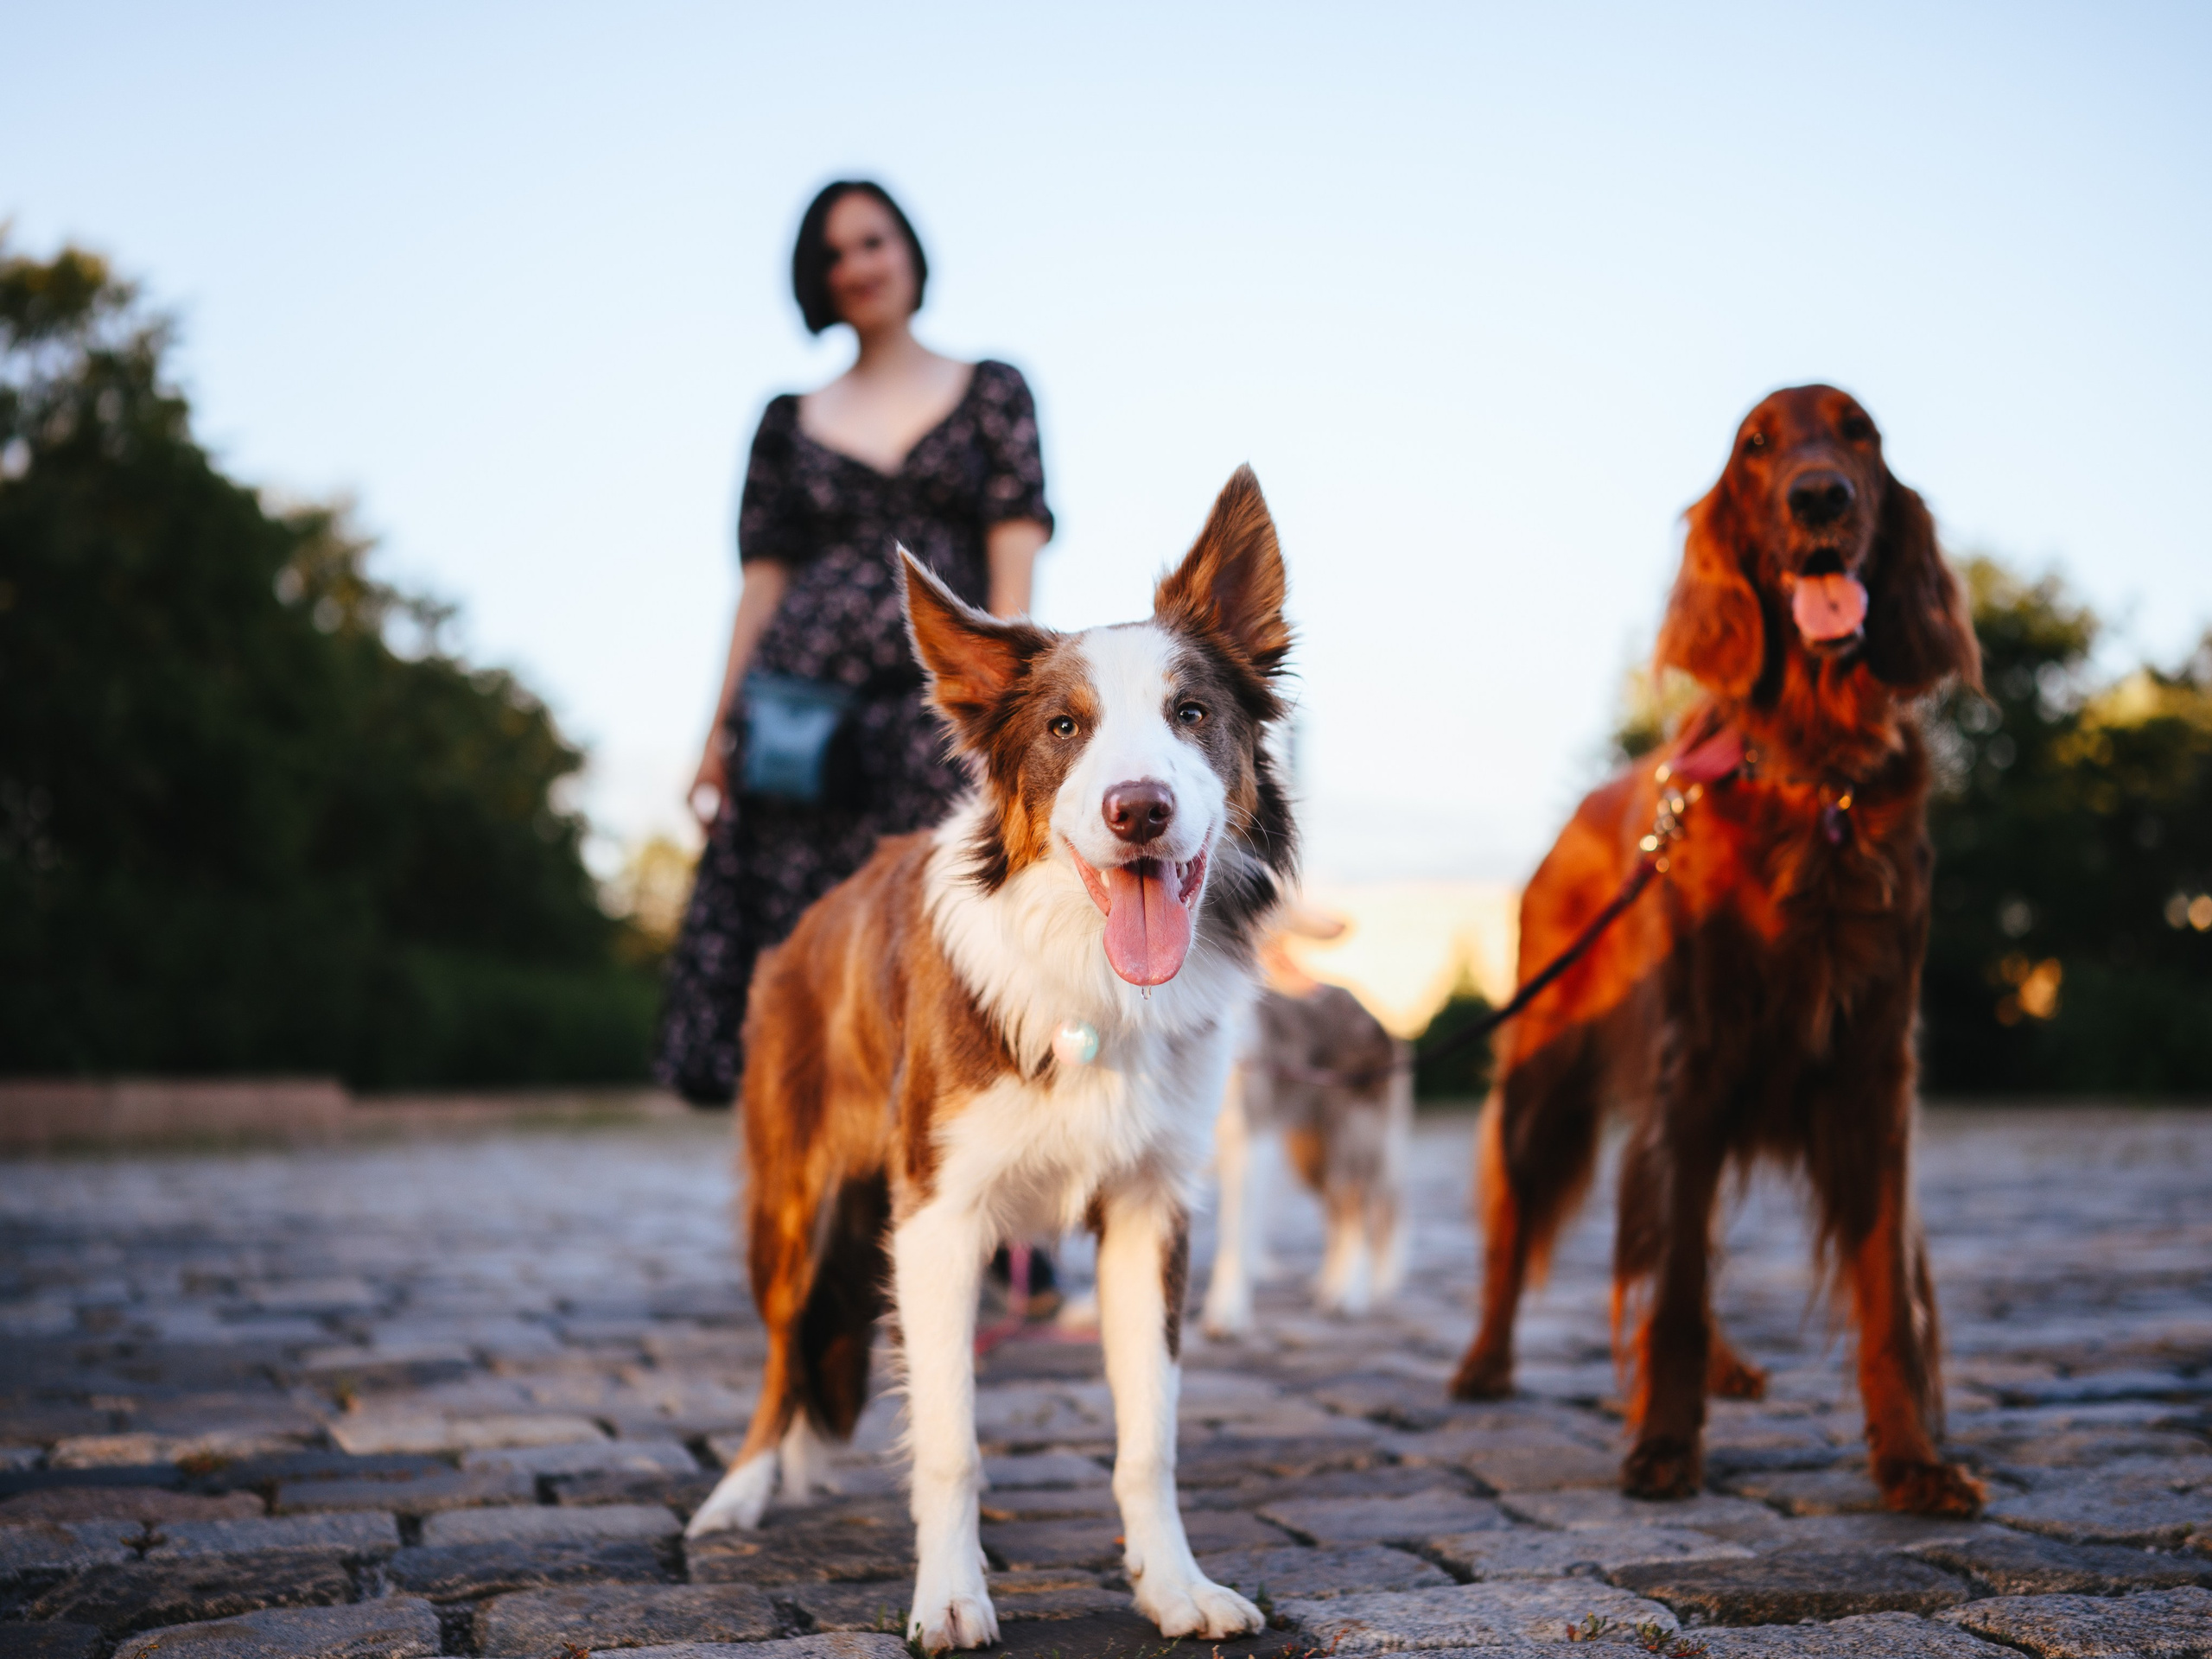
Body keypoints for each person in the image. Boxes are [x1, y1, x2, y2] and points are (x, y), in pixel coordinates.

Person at [657, 181, 1053, 1105]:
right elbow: (758, 584)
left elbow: (1014, 551)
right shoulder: (785, 420)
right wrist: (716, 733)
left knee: (953, 927)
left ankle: (978, 1196)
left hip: (937, 706)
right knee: (809, 940)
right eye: (833, 255)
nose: (856, 267)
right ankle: (826, 1188)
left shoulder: (994, 390)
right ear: (816, 281)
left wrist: (1009, 701)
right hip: (801, 716)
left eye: (871, 243)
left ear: (908, 252)